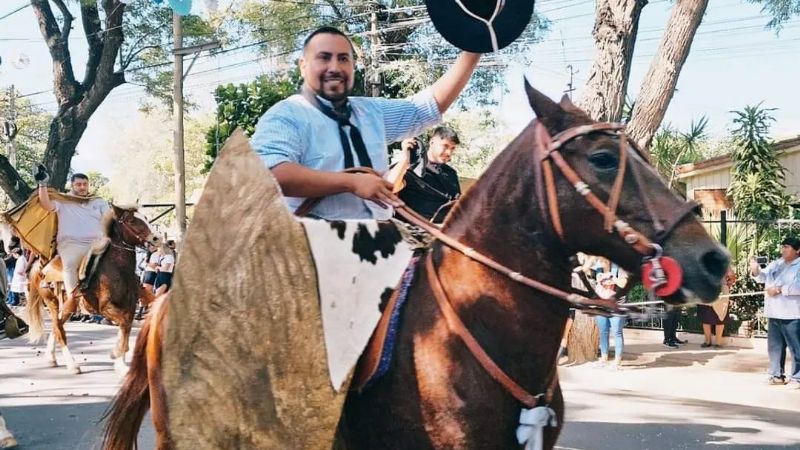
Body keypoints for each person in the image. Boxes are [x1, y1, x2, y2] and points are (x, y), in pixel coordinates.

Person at [250, 26, 481, 220]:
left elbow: (425, 108)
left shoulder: (372, 112)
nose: (335, 67)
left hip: (379, 248)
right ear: (303, 65)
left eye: (343, 58)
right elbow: (270, 174)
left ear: (353, 66)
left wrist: (475, 48)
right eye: (323, 57)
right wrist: (351, 183)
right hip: (312, 253)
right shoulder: (287, 114)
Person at [34, 169, 110, 315]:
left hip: (97, 243)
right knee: (69, 265)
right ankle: (72, 298)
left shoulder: (98, 201)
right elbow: (46, 205)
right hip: (71, 244)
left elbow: (108, 219)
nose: (82, 187)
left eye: (85, 184)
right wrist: (42, 185)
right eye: (78, 184)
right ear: (72, 186)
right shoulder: (63, 200)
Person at [751, 237, 800, 388]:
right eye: (782, 246)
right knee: (775, 347)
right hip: (774, 311)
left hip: (792, 313)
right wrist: (755, 270)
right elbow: (763, 277)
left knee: (795, 347)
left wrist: (779, 289)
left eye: (787, 247)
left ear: (798, 250)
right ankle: (776, 375)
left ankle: (797, 377)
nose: (783, 250)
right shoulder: (777, 263)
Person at [394, 126, 462, 223]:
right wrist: (405, 158)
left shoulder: (451, 173)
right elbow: (392, 188)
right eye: (445, 146)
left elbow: (456, 204)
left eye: (452, 148)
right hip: (409, 230)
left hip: (440, 230)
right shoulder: (411, 167)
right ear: (432, 142)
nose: (449, 152)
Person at [594, 261, 628, 369]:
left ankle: (617, 361)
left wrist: (614, 279)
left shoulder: (619, 268)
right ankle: (604, 358)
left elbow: (623, 283)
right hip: (602, 304)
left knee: (617, 332)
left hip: (616, 305)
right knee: (603, 332)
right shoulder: (598, 268)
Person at [698, 267, 736, 348]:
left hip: (720, 291)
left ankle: (717, 342)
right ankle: (708, 341)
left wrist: (726, 284)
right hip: (706, 291)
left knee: (720, 317)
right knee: (706, 316)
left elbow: (732, 275)